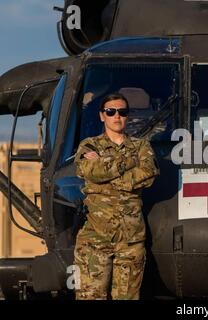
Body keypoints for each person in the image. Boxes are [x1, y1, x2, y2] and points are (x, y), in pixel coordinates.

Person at [74, 92, 159, 300]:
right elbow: (92, 171)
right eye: (110, 112)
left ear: (127, 115)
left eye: (122, 111)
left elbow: (148, 174)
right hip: (95, 238)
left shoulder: (141, 146)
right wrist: (128, 163)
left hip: (130, 240)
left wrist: (108, 172)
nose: (117, 116)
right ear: (102, 116)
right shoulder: (89, 145)